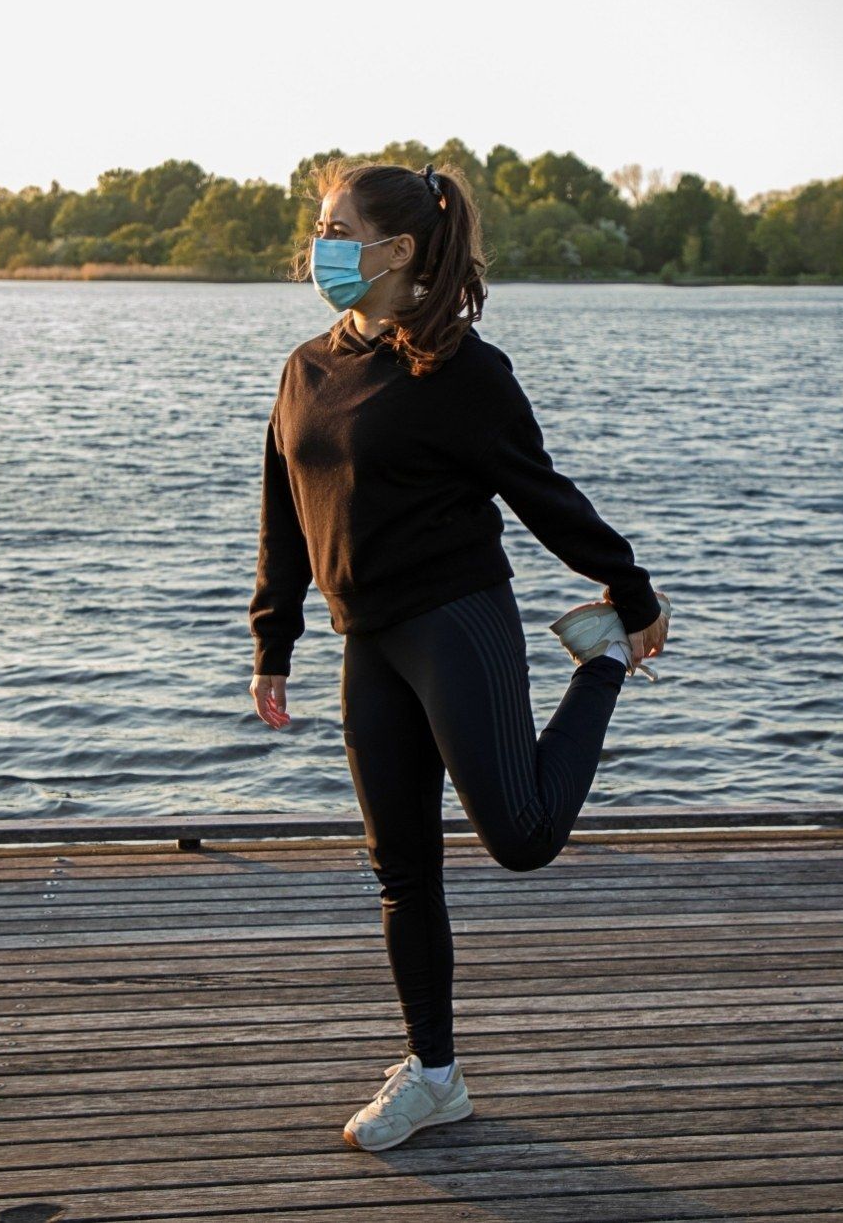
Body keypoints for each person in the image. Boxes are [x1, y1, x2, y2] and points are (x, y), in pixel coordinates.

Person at [245, 159, 671, 1152]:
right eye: (321, 225)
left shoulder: (464, 371)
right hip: (368, 641)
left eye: (338, 227)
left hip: (454, 618)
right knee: (401, 869)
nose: (321, 245)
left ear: (397, 251)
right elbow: (282, 510)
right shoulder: (305, 368)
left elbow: (542, 492)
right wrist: (274, 638)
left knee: (520, 835)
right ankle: (435, 1074)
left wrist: (633, 594)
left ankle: (599, 662)